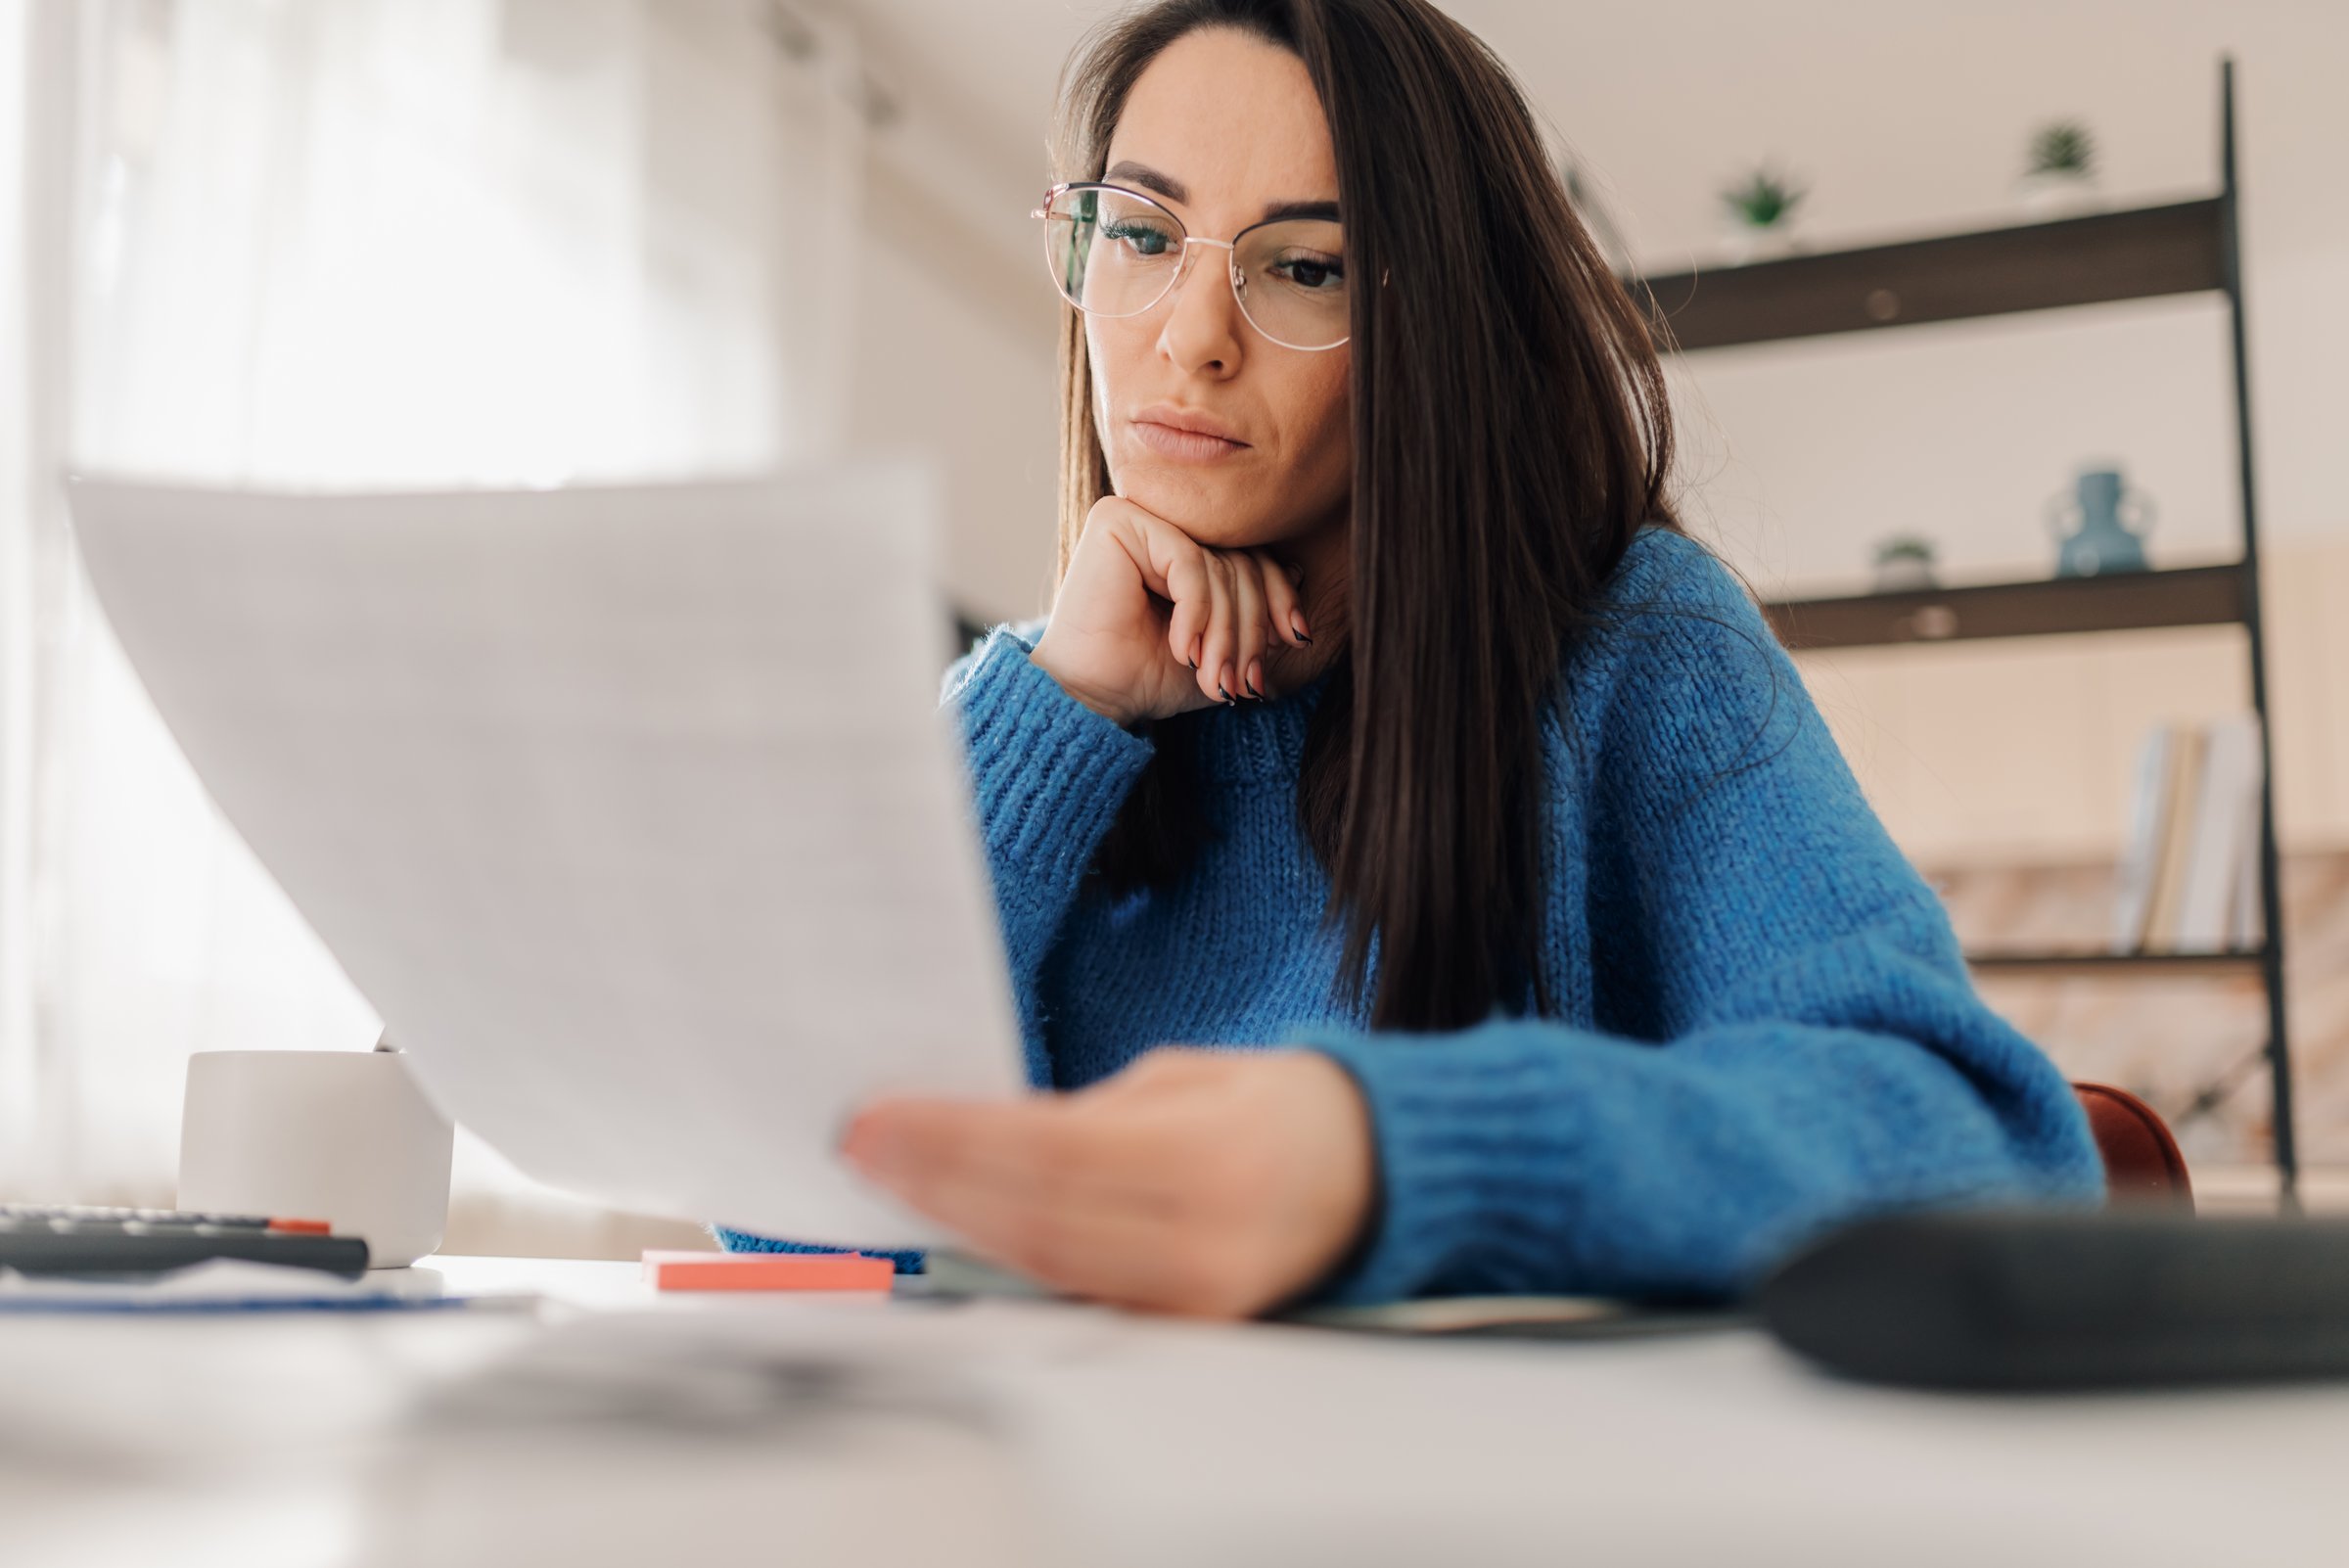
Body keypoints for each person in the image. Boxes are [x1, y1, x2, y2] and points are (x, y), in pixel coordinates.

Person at [719, 0, 2102, 1315]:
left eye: (1303, 266)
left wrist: (1402, 1157)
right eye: (1141, 235)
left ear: (1427, 329)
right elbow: (782, 1211)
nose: (1186, 339)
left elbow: (1987, 1148)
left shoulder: (1631, 645)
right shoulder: (1032, 700)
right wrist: (1052, 714)